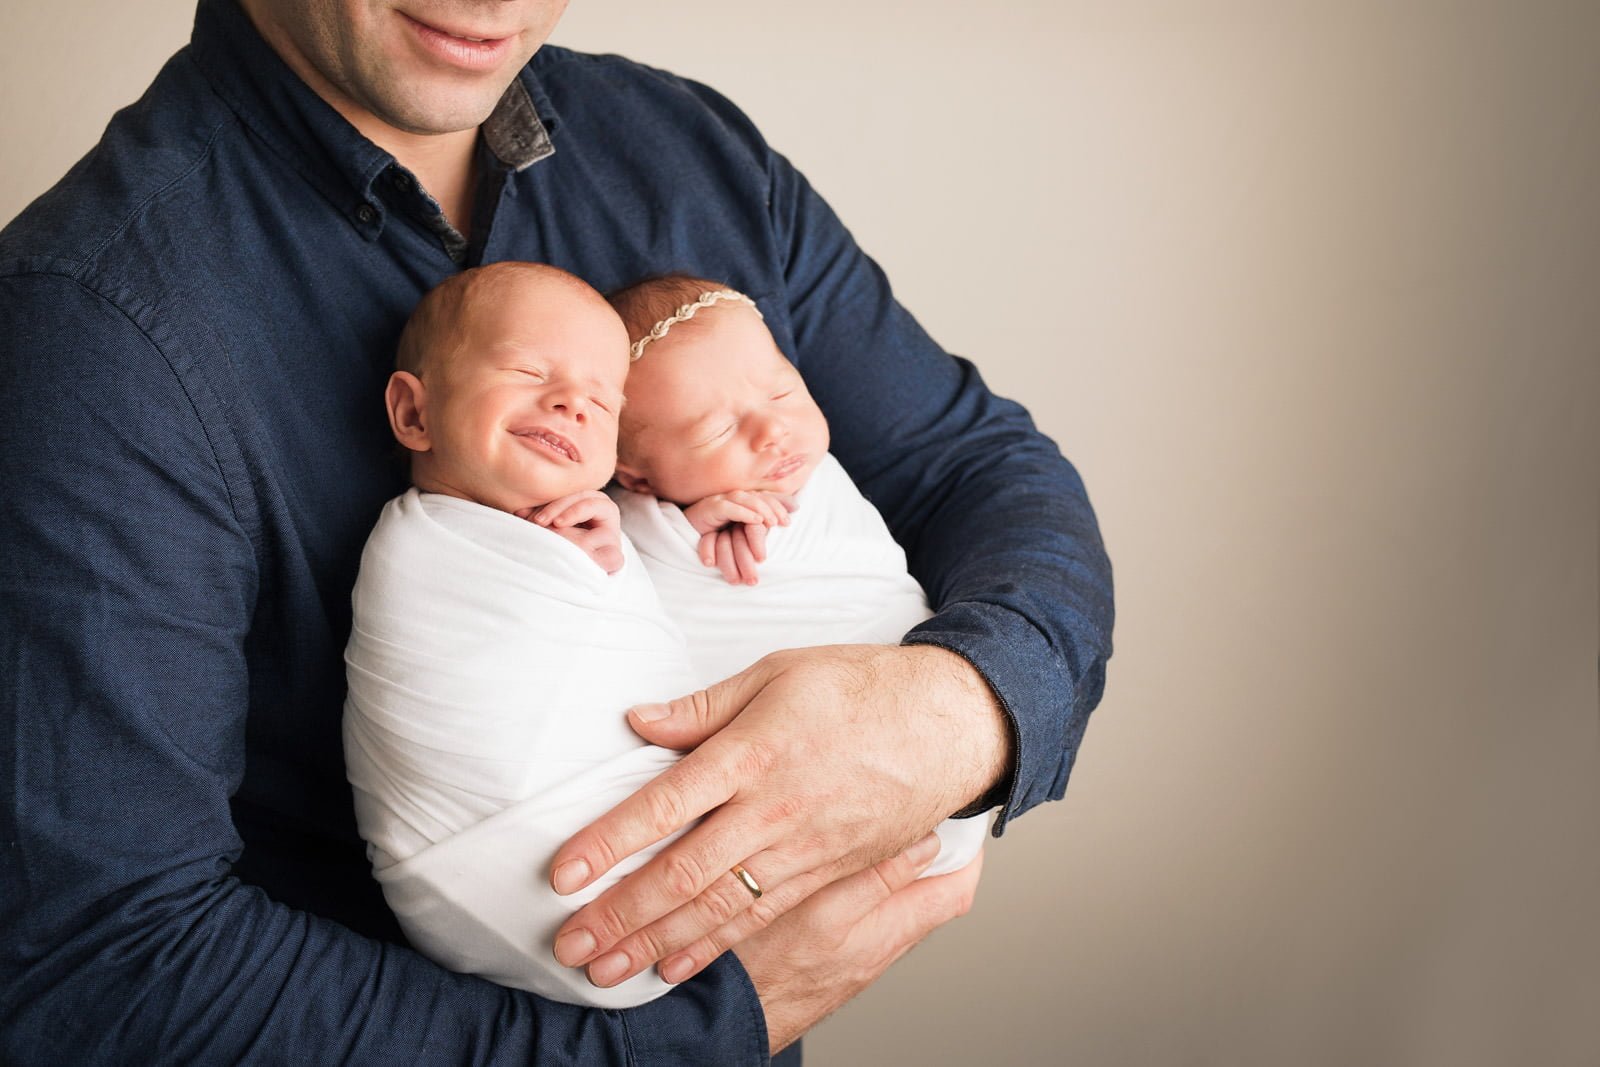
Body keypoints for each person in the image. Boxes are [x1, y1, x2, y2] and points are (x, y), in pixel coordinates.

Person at [0, 0, 1114, 1061]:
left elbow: (974, 467)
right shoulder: (87, 329)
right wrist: (705, 1024)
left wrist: (970, 708)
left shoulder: (688, 153)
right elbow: (106, 965)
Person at [341, 263, 983, 1011]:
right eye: (526, 372)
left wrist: (648, 542)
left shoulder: (624, 526)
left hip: (845, 822)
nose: (570, 405)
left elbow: (983, 463)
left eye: (599, 403)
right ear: (414, 415)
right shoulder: (427, 548)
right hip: (551, 894)